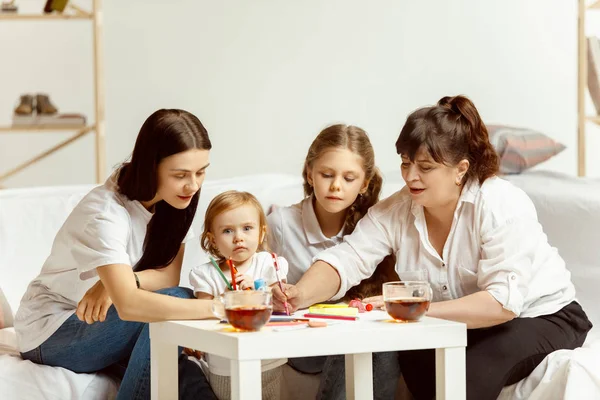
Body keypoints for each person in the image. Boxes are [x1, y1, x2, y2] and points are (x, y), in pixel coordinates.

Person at [273, 96, 593, 400]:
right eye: (405, 163)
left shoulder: (500, 204)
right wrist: (299, 294)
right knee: (418, 367)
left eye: (425, 167)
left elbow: (501, 304)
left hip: (541, 314)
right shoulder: (397, 209)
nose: (411, 176)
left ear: (460, 169)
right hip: (459, 321)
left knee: (467, 375)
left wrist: (415, 309)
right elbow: (347, 257)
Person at [15, 109, 219, 399]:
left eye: (201, 171)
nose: (194, 185)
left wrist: (121, 284)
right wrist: (222, 309)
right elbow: (131, 307)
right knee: (178, 301)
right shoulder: (104, 213)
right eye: (181, 175)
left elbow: (167, 275)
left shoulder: (177, 201)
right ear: (151, 167)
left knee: (181, 374)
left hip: (104, 320)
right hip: (52, 330)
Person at [267, 124, 400, 400]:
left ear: (364, 183)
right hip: (300, 341)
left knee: (379, 342)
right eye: (326, 174)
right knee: (351, 339)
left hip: (352, 336)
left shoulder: (375, 226)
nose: (336, 186)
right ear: (309, 174)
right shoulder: (280, 224)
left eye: (349, 178)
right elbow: (255, 280)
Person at [190, 190, 289, 400]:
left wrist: (259, 289)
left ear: (261, 233)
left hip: (269, 358)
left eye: (247, 228)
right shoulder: (207, 275)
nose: (239, 238)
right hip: (224, 362)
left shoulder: (268, 263)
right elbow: (201, 315)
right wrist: (226, 299)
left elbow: (282, 299)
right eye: (227, 231)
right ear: (213, 239)